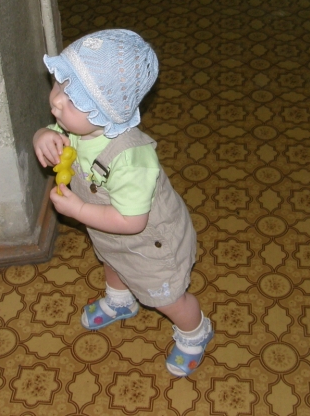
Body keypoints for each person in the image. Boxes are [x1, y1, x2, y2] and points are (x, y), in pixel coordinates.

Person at [33, 29, 213, 377]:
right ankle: (120, 301)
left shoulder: (131, 159)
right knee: (112, 259)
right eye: (60, 84)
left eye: (73, 100)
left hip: (151, 245)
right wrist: (44, 135)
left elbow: (133, 222)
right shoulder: (77, 127)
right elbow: (57, 131)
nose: (57, 101)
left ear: (106, 112)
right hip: (110, 233)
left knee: (168, 299)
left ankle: (195, 332)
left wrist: (78, 211)